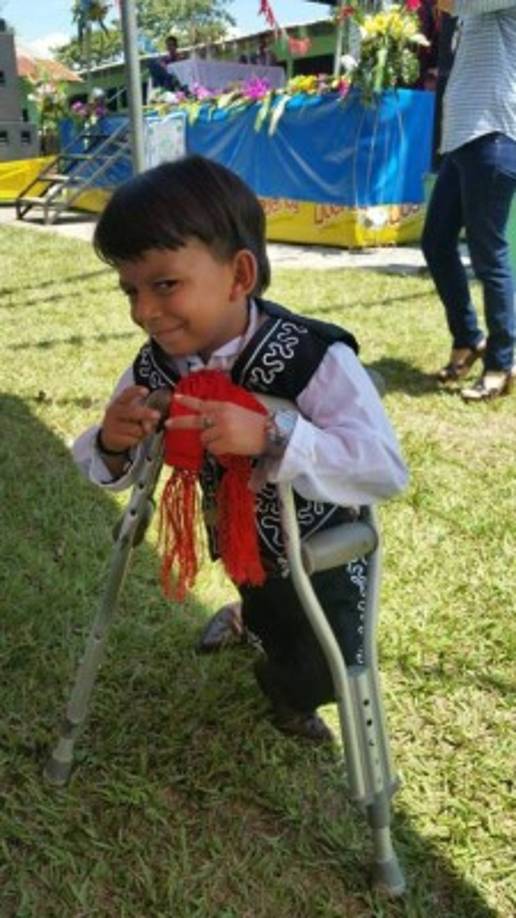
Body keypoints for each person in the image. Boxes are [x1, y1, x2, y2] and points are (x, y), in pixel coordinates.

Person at [73, 155, 408, 743]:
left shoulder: (312, 357)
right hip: (236, 534)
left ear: (240, 275)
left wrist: (275, 435)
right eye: (130, 289)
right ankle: (245, 621)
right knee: (263, 604)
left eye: (165, 284)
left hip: (318, 549)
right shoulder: (156, 363)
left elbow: (383, 469)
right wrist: (113, 441)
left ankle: (290, 699)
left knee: (322, 661)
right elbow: (107, 462)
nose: (142, 311)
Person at [421, 0, 516, 401]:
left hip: (493, 134)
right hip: (463, 140)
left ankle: (503, 360)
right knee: (436, 242)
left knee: (487, 253)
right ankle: (468, 339)